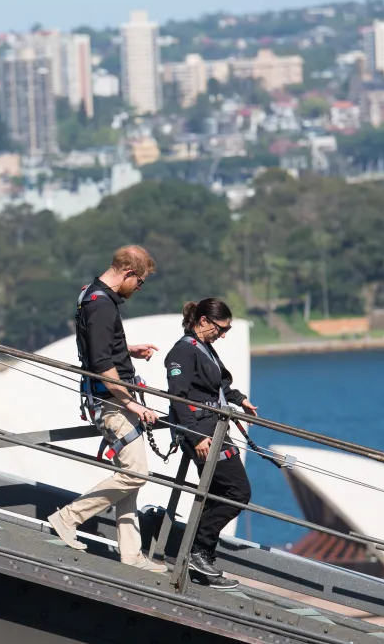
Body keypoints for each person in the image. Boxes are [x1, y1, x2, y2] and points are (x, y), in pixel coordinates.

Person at [47, 245, 166, 573]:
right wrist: (130, 403)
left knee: (131, 475)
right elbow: (101, 363)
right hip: (112, 402)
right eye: (139, 282)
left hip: (111, 399)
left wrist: (127, 349)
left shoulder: (92, 295)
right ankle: (68, 517)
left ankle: (131, 555)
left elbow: (99, 344)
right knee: (136, 473)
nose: (138, 289)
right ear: (128, 273)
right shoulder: (101, 305)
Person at [164, 298, 257, 590]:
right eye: (221, 328)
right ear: (203, 320)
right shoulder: (182, 351)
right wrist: (194, 436)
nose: (223, 334)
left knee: (218, 494)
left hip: (214, 429)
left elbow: (219, 385)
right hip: (201, 432)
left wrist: (239, 399)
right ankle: (197, 552)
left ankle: (202, 560)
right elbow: (178, 397)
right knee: (238, 491)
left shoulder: (203, 349)